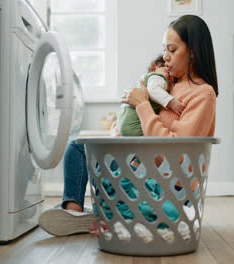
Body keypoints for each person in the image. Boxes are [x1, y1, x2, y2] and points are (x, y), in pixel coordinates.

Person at [38, 14, 218, 237]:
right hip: (143, 171)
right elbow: (143, 129)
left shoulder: (203, 94)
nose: (165, 56)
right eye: (165, 49)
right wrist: (120, 128)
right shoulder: (167, 86)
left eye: (172, 50)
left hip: (172, 188)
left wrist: (142, 104)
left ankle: (104, 215)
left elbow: (177, 154)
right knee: (77, 148)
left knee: (121, 182)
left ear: (192, 52)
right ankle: (74, 212)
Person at [117, 54, 184, 136]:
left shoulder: (146, 80)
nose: (171, 77)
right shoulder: (157, 77)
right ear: (154, 68)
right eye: (167, 71)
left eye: (174, 78)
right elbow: (153, 90)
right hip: (134, 123)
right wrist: (171, 101)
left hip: (125, 122)